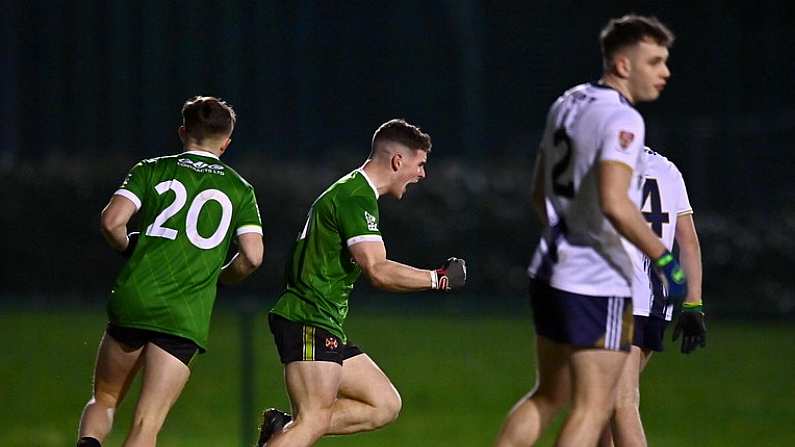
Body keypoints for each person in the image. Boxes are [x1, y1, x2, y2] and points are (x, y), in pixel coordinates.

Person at [494, 15, 685, 447]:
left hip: (550, 265)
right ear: (622, 65)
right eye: (654, 61)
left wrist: (566, 236)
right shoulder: (625, 120)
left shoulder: (567, 102)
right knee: (594, 408)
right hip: (597, 277)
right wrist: (665, 260)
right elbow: (617, 204)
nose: (665, 72)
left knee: (547, 395)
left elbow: (539, 193)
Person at [256, 118, 467, 447]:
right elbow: (378, 270)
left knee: (384, 403)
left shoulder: (355, 193)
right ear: (398, 160)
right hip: (308, 317)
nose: (422, 174)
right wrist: (438, 279)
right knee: (311, 420)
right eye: (420, 164)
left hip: (323, 320)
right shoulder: (355, 196)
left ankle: (284, 430)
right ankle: (288, 433)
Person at [76, 96, 264, 447]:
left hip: (136, 299)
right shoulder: (239, 189)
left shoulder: (151, 169)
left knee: (104, 400)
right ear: (226, 142)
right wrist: (222, 276)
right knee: (148, 423)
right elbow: (253, 257)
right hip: (185, 313)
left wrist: (128, 247)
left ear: (183, 132)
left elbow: (111, 221)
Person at [599, 147, 706, 447]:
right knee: (602, 406)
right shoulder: (667, 169)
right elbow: (688, 242)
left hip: (618, 294)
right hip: (656, 302)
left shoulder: (602, 162)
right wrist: (693, 303)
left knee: (621, 402)